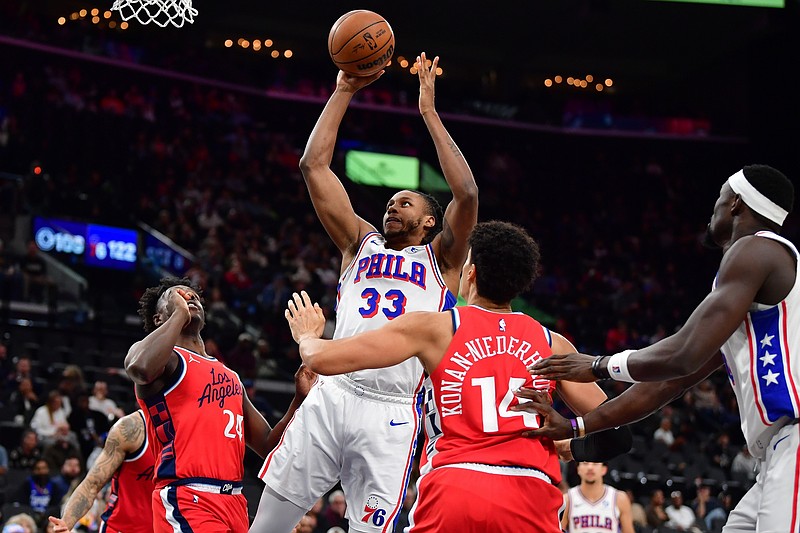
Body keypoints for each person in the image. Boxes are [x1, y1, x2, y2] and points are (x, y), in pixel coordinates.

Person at [278, 221, 631, 532]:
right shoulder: (552, 344)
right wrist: (572, 443)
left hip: (456, 484)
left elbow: (322, 360)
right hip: (531, 493)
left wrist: (307, 335)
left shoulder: (436, 327)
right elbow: (616, 435)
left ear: (471, 272)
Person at [252, 52, 479, 533]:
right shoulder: (359, 242)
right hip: (333, 391)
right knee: (268, 525)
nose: (392, 207)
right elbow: (313, 166)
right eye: (390, 202)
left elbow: (468, 195)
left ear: (430, 221)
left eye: (406, 202)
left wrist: (429, 114)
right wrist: (344, 90)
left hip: (394, 410)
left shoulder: (442, 259)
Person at [525, 164, 797, 533]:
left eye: (718, 199)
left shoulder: (756, 248)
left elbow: (684, 351)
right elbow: (670, 381)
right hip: (773, 455)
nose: (712, 210)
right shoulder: (749, 286)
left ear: (734, 204)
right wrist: (578, 426)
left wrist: (599, 365)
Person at [124, 276, 315, 533]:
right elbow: (139, 368)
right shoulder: (166, 361)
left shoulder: (230, 375)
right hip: (188, 495)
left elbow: (269, 444)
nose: (189, 297)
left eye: (194, 296)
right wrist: (179, 315)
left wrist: (299, 399)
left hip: (234, 500)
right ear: (159, 318)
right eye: (178, 295)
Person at [48, 411, 155, 533]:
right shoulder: (131, 428)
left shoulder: (180, 429)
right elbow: (91, 485)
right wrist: (65, 524)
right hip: (123, 528)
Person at [562, 462, 634, 533]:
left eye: (595, 463)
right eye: (585, 463)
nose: (590, 467)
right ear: (578, 469)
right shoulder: (567, 499)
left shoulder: (619, 498)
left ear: (604, 469)